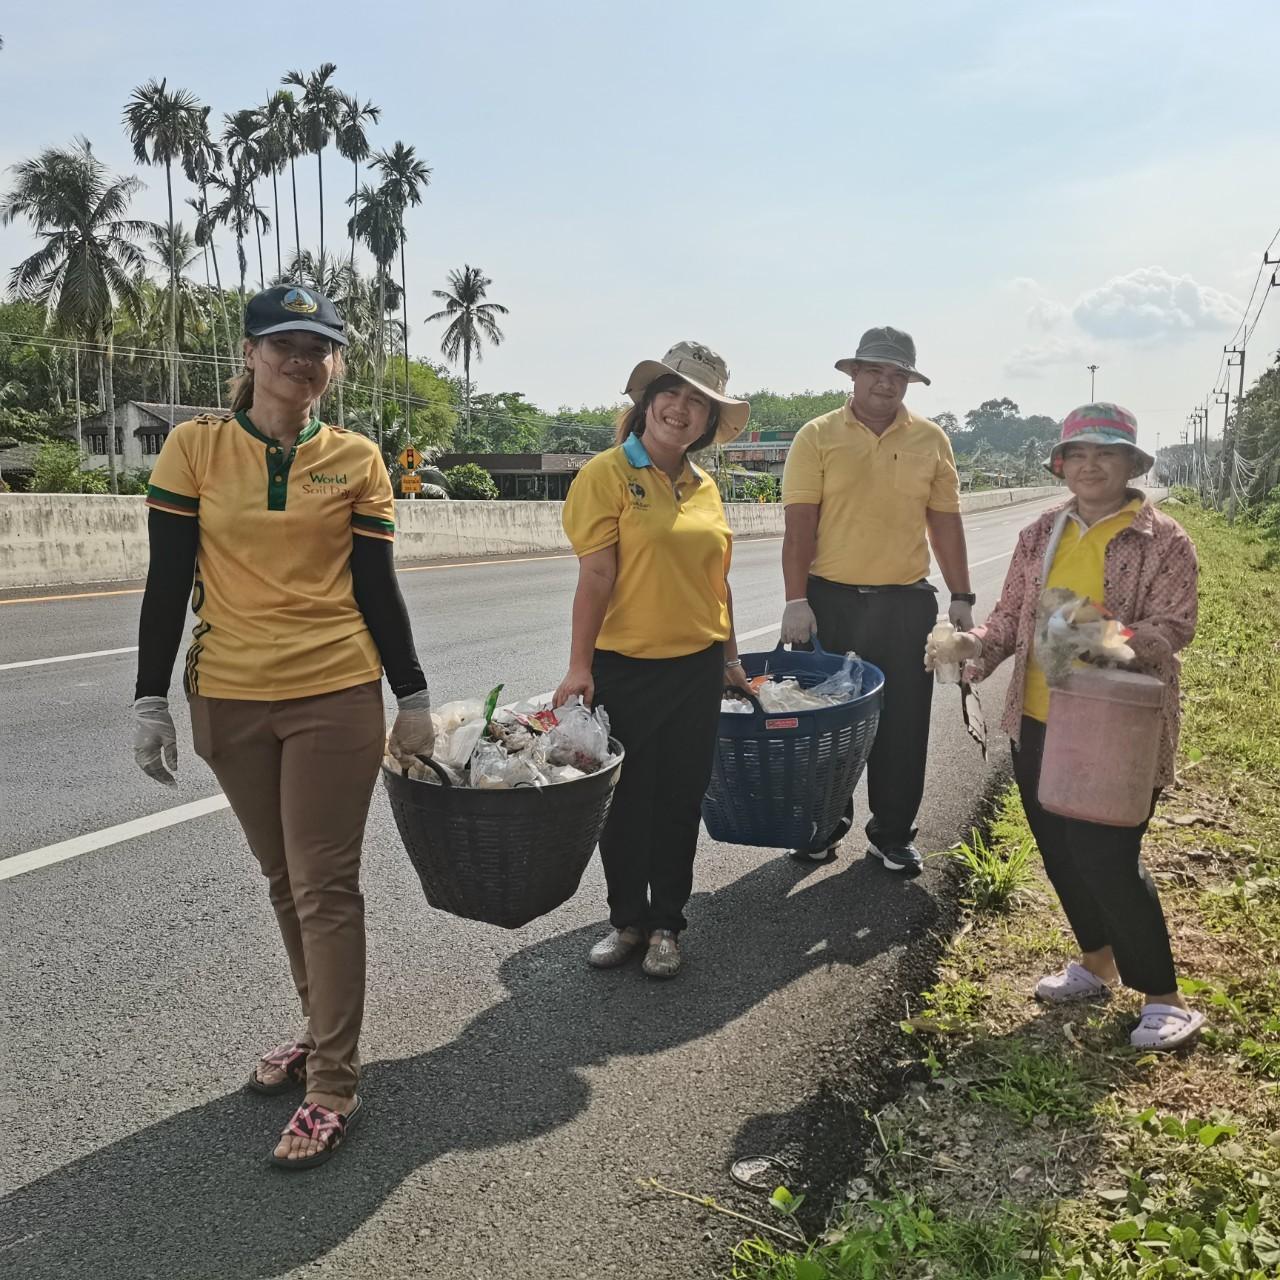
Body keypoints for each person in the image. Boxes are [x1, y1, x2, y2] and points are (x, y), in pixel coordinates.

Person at [130, 284, 435, 1168]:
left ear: (333, 366)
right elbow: (164, 581)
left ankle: (334, 1080)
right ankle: (319, 1029)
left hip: (335, 690)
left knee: (326, 886)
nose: (303, 360)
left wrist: (410, 696)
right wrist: (150, 697)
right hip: (226, 695)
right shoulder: (194, 449)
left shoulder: (357, 459)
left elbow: (378, 586)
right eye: (285, 344)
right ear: (252, 354)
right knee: (280, 877)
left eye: (320, 348)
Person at [929, 403, 1204, 1050]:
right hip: (1038, 719)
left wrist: (1085, 636)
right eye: (1077, 454)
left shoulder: (1164, 540)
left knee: (1108, 857)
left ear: (1133, 464)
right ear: (1061, 465)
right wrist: (971, 646)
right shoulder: (1039, 535)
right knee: (1059, 852)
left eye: (1105, 453)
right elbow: (1010, 621)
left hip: (1117, 727)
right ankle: (1098, 962)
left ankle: (1164, 997)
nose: (1090, 465)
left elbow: (1173, 628)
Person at [554, 341, 751, 979]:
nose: (682, 409)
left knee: (679, 798)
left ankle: (668, 922)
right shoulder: (607, 474)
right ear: (648, 401)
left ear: (708, 424)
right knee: (626, 802)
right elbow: (597, 575)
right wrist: (579, 666)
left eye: (699, 403)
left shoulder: (707, 488)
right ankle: (626, 922)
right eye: (672, 393)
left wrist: (730, 657)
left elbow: (716, 584)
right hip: (626, 668)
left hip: (695, 669)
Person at [780, 327, 973, 873]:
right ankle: (821, 827)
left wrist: (960, 594)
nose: (886, 384)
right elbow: (800, 527)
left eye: (898, 375)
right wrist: (797, 600)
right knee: (823, 723)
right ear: (853, 375)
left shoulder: (931, 440)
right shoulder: (816, 436)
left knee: (904, 726)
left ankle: (891, 834)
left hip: (904, 604)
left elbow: (945, 522)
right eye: (875, 372)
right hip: (829, 601)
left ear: (909, 381)